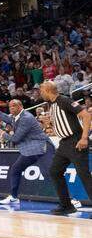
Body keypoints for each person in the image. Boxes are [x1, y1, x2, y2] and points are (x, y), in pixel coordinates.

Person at [39, 81, 92, 215]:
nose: (40, 94)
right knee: (55, 171)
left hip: (76, 141)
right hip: (64, 144)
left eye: (41, 91)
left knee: (84, 174)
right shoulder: (52, 104)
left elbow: (86, 115)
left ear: (47, 90)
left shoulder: (63, 100)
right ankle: (66, 205)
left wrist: (84, 138)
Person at [0, 100, 50, 205]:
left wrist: (4, 135)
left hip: (41, 148)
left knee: (52, 174)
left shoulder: (26, 118)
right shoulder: (18, 116)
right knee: (16, 169)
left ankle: (71, 200)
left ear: (21, 106)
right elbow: (8, 118)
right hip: (32, 149)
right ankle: (14, 197)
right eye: (10, 106)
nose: (11, 108)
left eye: (14, 106)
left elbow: (16, 139)